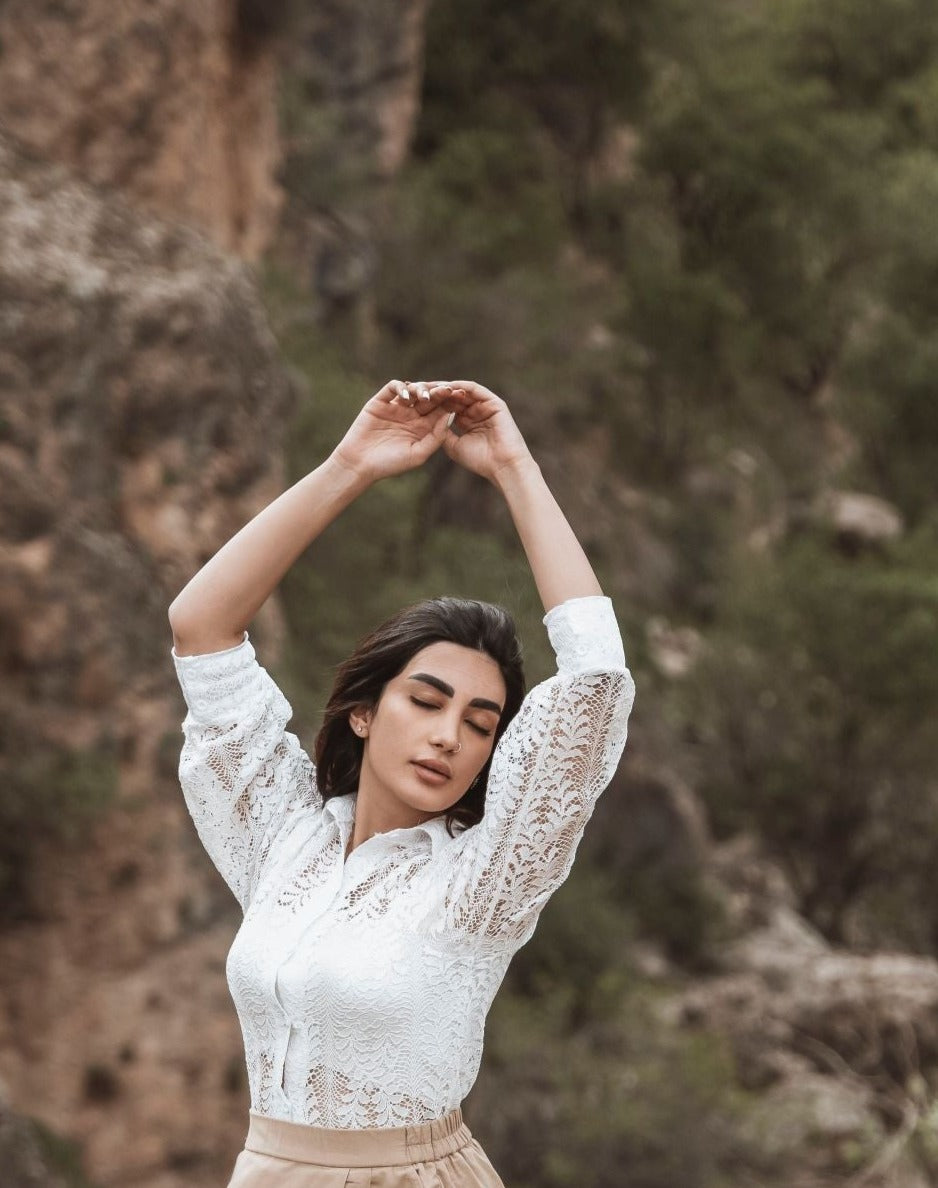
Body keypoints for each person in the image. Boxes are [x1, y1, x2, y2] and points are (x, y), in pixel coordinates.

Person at [168, 378, 636, 1187]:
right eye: (426, 701)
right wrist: (351, 466)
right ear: (361, 712)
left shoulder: (483, 883)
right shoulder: (282, 841)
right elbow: (202, 628)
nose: (449, 736)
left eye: (482, 723)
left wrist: (514, 467)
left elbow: (595, 680)